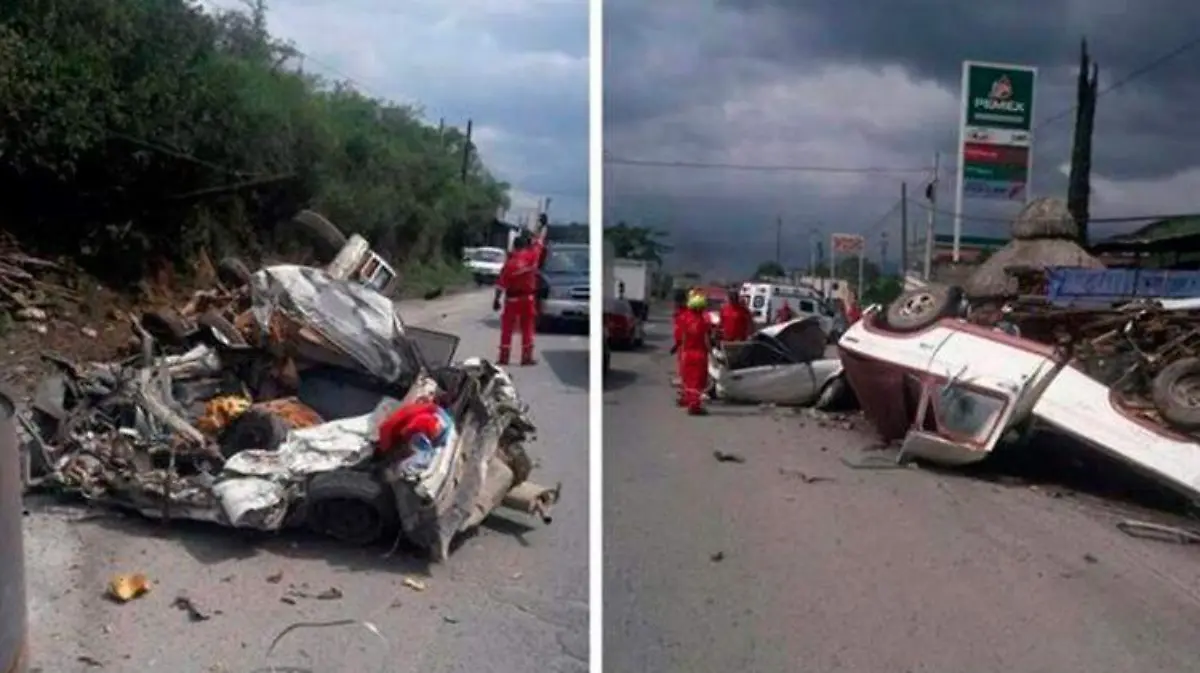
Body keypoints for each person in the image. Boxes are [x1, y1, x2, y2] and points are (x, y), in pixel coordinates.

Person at [493, 230, 543, 366]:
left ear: (514, 247)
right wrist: (541, 228)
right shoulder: (532, 256)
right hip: (528, 298)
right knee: (527, 327)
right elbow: (539, 243)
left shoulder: (509, 264)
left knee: (507, 328)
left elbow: (501, 285)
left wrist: (496, 300)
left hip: (512, 300)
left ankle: (504, 357)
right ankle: (526, 357)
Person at [672, 289, 711, 415]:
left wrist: (681, 353)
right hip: (699, 355)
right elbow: (706, 341)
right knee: (698, 381)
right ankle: (694, 405)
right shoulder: (703, 322)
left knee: (688, 379)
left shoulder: (685, 319)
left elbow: (682, 339)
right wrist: (712, 353)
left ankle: (688, 400)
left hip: (687, 354)